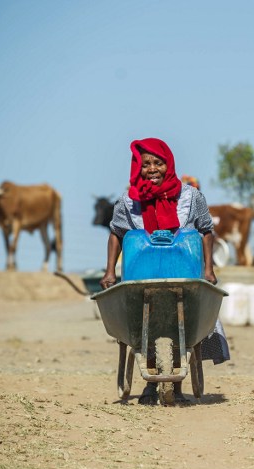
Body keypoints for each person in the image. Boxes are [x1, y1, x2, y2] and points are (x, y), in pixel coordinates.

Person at [99, 137, 230, 405]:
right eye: (145, 164)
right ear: (138, 168)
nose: (152, 169)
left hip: (185, 274)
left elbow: (206, 230)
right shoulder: (129, 201)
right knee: (141, 325)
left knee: (185, 324)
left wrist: (209, 268)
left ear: (168, 164)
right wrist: (110, 270)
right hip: (141, 275)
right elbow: (116, 233)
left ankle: (177, 386)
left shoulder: (191, 197)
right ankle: (149, 386)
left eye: (158, 163)